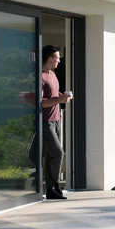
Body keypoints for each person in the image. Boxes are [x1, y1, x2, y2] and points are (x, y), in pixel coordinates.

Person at [40, 45, 72, 200]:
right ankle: (54, 186)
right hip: (45, 122)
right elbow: (39, 102)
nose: (59, 61)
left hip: (56, 119)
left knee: (52, 156)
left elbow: (53, 95)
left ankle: (51, 190)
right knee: (58, 153)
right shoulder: (40, 76)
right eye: (57, 58)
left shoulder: (52, 74)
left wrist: (62, 96)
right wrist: (59, 99)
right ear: (50, 58)